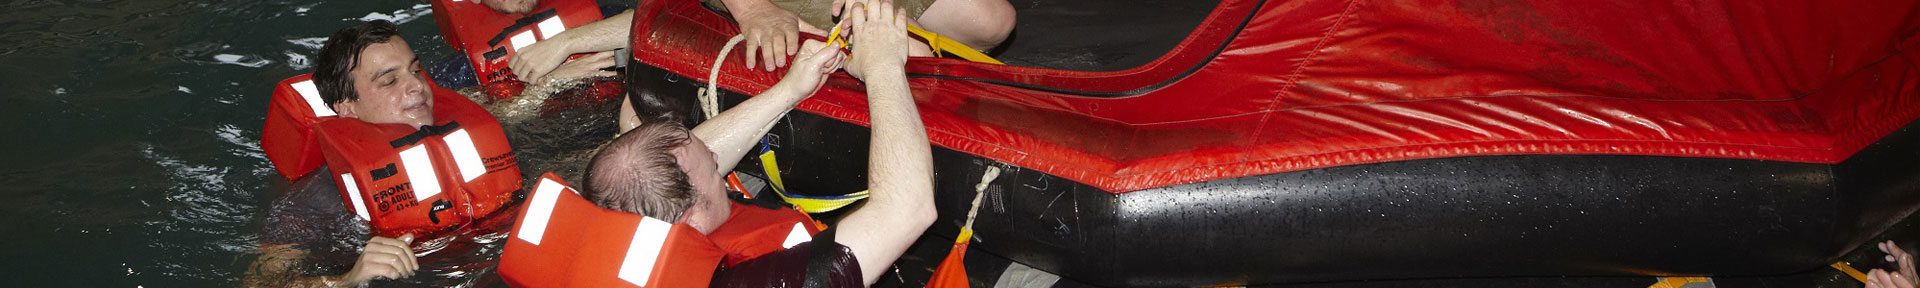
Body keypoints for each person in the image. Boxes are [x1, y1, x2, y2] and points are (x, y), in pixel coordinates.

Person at [582, 0, 930, 285]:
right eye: (715, 170)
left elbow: (673, 165)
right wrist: (884, 64)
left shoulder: (622, 221)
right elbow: (908, 209)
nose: (718, 155)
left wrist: (791, 90)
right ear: (691, 222)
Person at [246, 21, 440, 287]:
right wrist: (345, 280)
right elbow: (260, 283)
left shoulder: (472, 129)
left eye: (415, 70)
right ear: (347, 108)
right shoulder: (316, 202)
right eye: (390, 81)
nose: (417, 85)